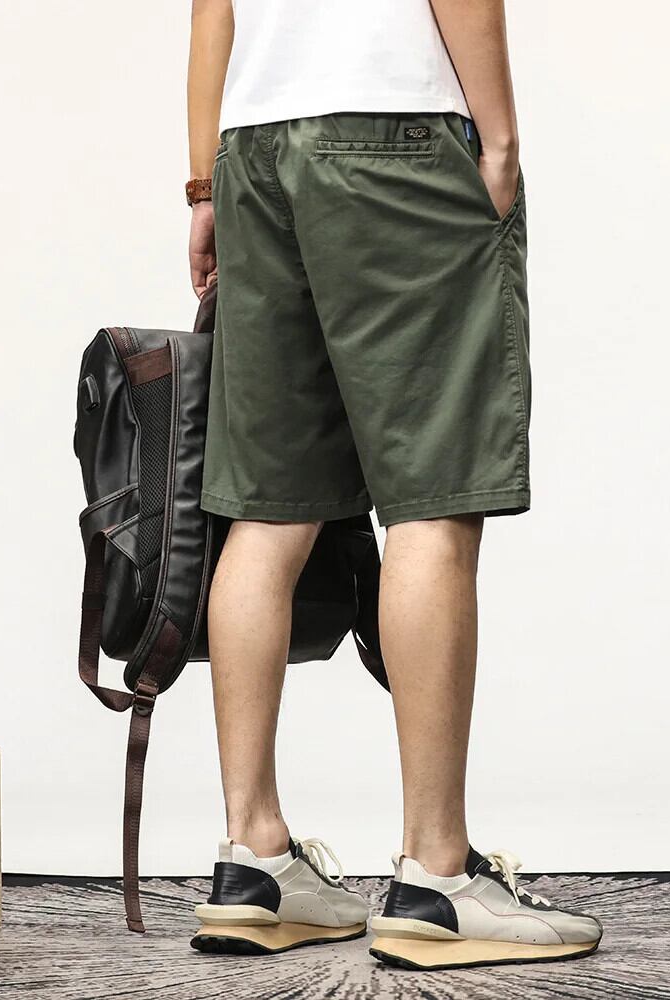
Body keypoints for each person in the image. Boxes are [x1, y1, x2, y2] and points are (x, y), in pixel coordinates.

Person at [186, 0, 602, 970]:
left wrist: (204, 184)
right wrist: (500, 138)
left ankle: (254, 859)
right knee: (432, 501)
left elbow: (213, 7)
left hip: (255, 147)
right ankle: (438, 878)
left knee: (266, 512)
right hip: (396, 135)